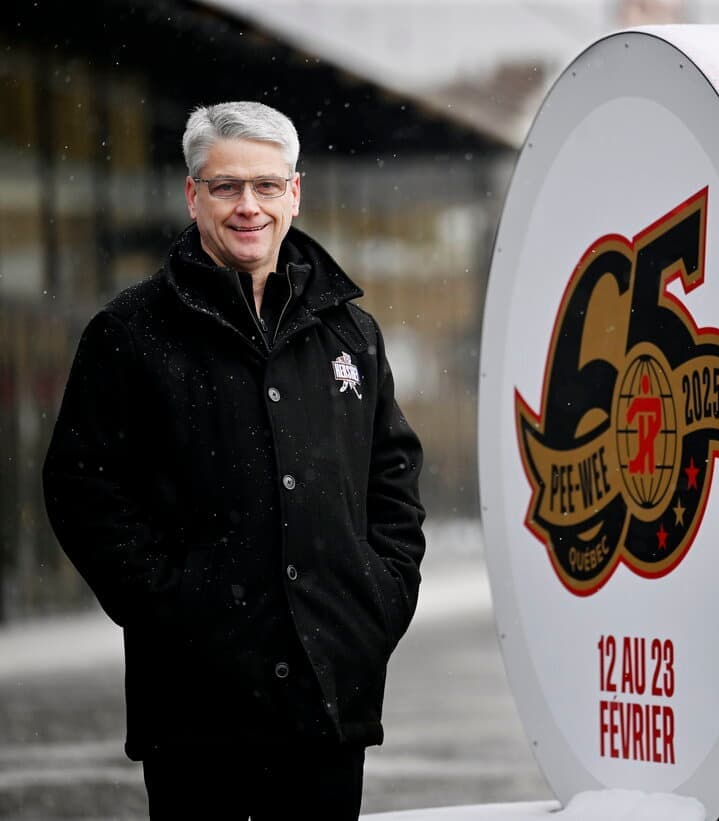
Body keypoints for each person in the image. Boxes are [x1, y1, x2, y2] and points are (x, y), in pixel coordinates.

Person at [42, 101, 425, 820]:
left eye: (266, 186)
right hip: (197, 711)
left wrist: (377, 600)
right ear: (193, 195)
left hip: (328, 701)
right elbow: (81, 489)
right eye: (226, 187)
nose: (248, 206)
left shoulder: (351, 332)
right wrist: (173, 609)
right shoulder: (130, 333)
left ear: (295, 192)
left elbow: (392, 480)